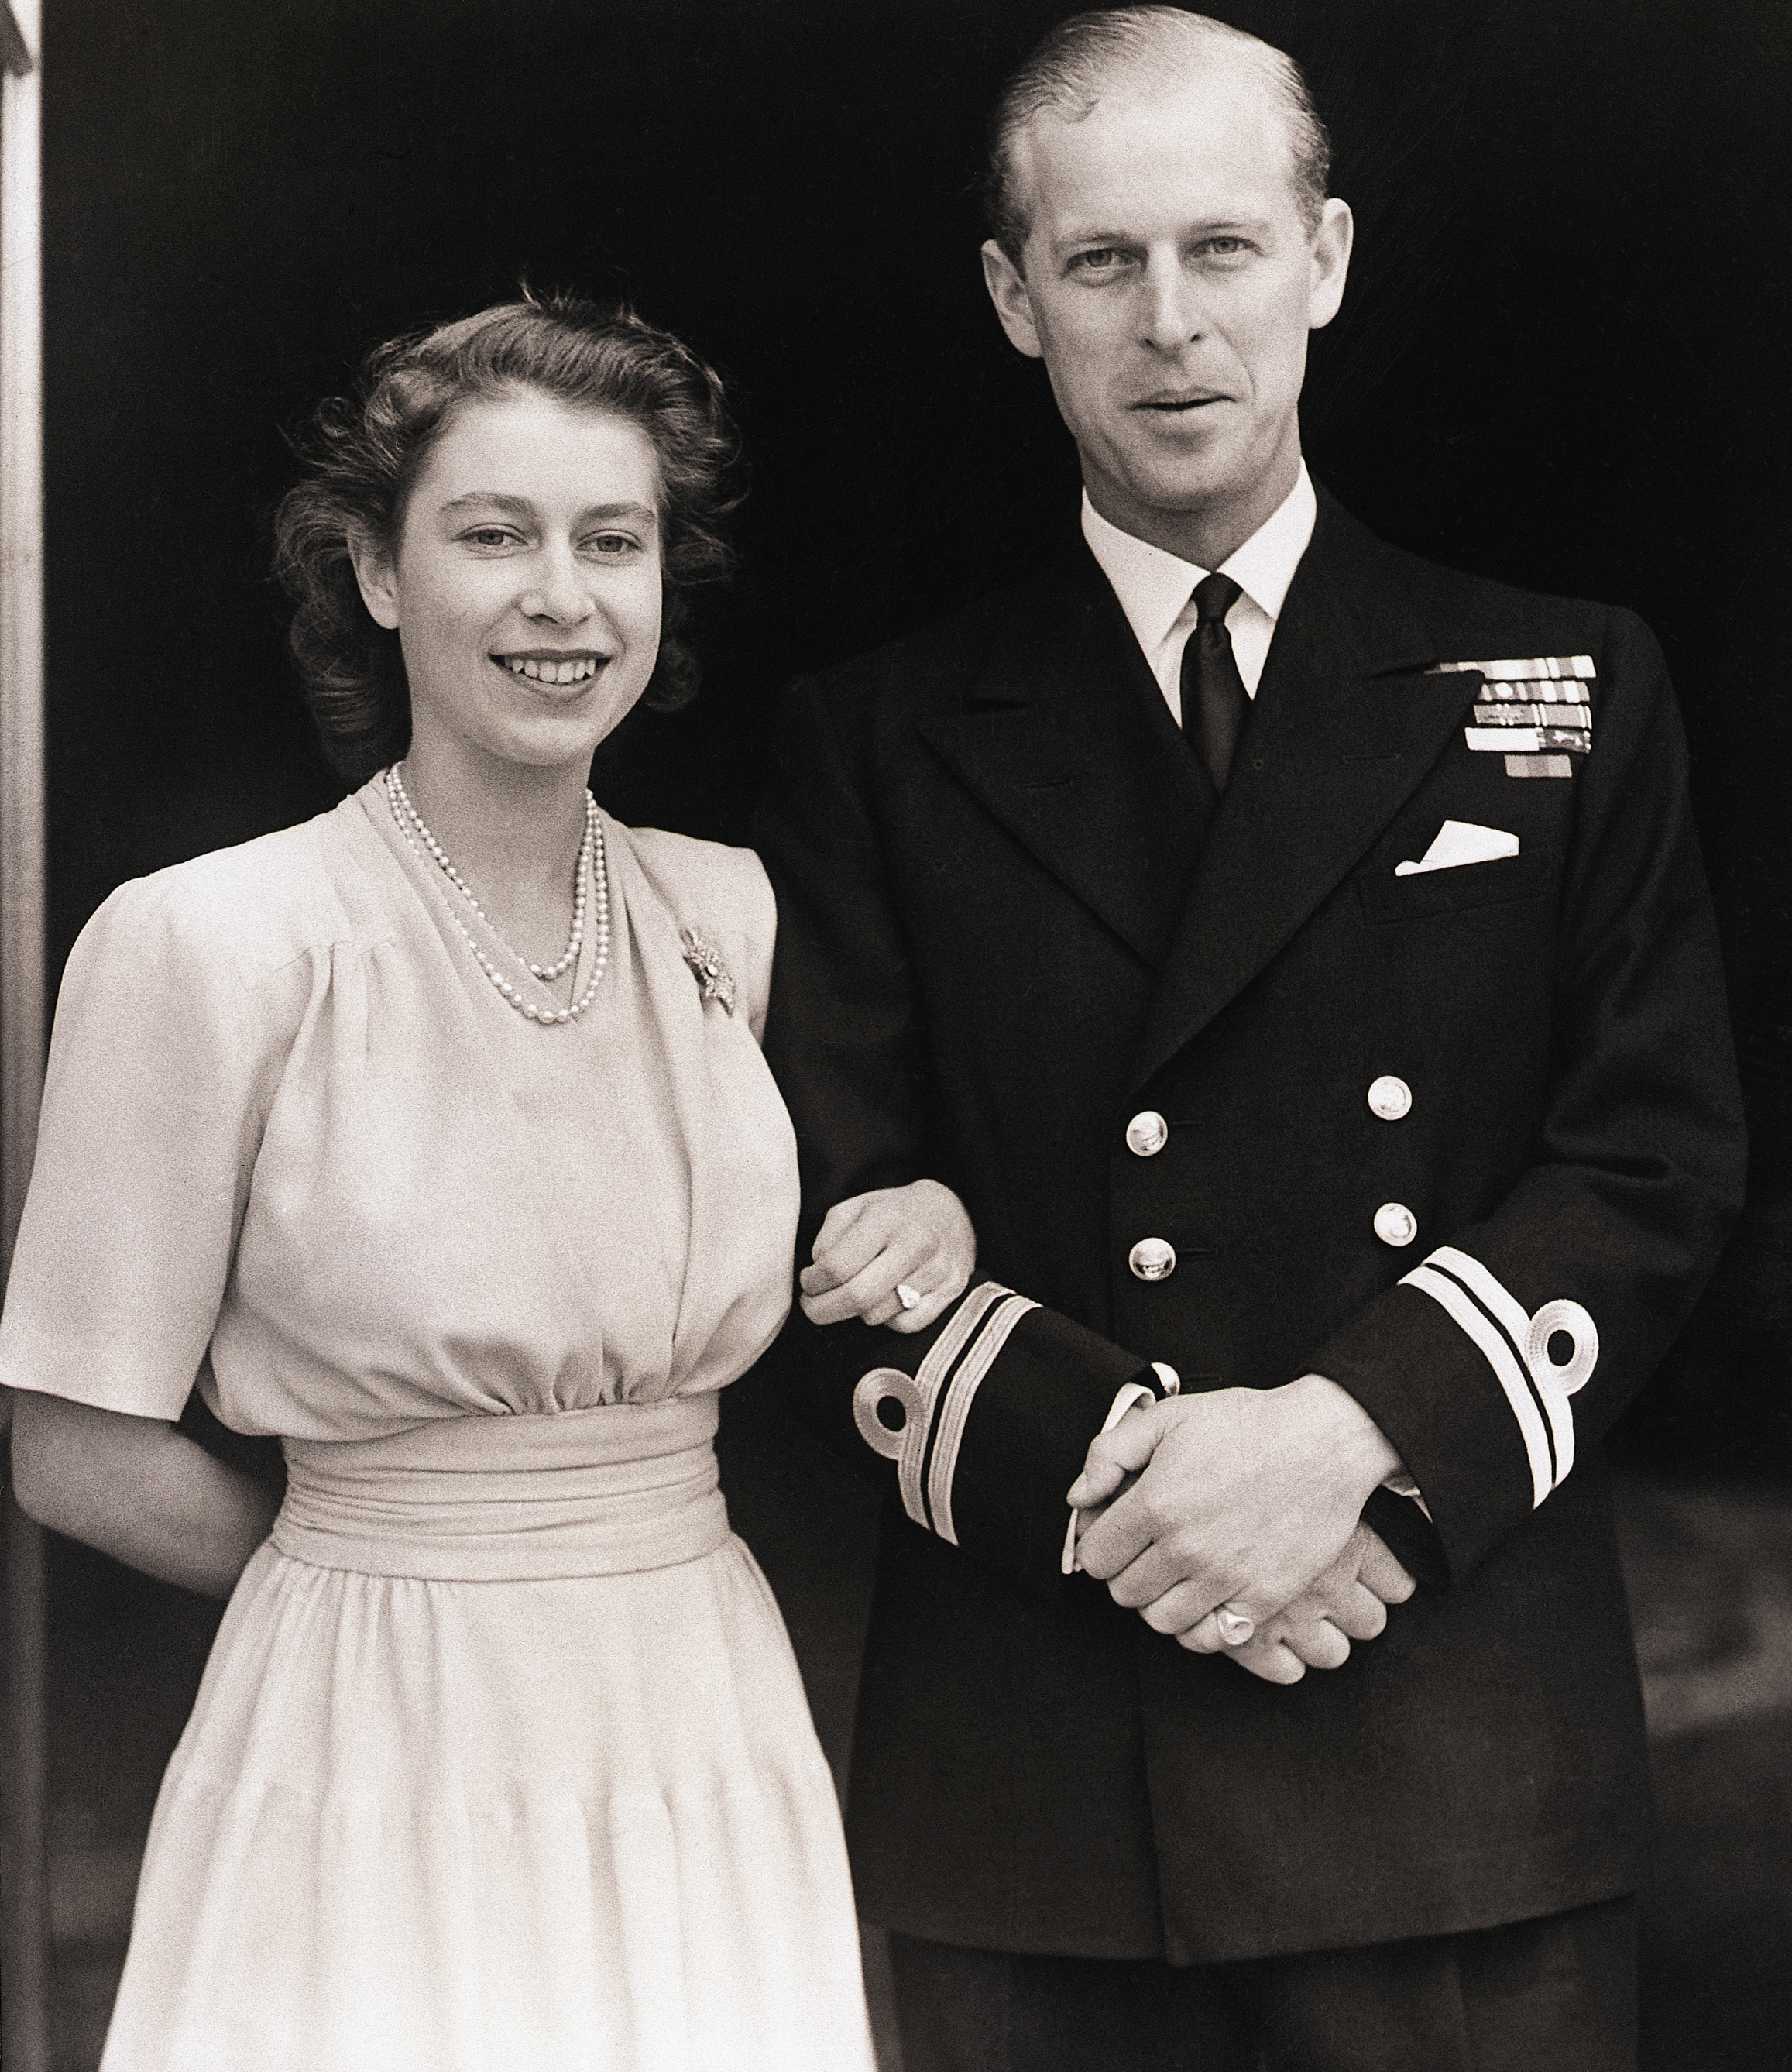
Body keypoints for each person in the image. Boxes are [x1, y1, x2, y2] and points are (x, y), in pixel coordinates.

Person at [754, 10, 1746, 2069]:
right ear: (1012, 298)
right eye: (1100, 262)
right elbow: (817, 1209)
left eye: (1221, 246)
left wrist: (1344, 1445)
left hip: (1444, 1734)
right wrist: (1152, 1486)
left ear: (1326, 259)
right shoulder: (879, 737)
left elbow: (1651, 1155)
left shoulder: (1562, 682)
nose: (1170, 322)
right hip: (1039, 1771)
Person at [2, 292, 976, 2070]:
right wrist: (372, 1575)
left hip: (692, 1710)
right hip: (368, 1731)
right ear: (379, 572)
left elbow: (890, 1218)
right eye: (491, 535)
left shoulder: (734, 920)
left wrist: (929, 1214)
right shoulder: (212, 945)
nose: (560, 597)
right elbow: (72, 1450)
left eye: (612, 541)